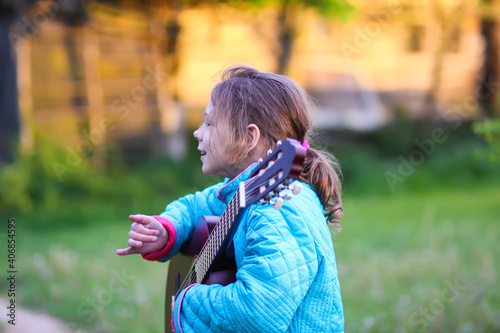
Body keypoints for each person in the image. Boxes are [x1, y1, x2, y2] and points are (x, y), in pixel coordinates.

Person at [116, 66, 344, 332]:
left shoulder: (279, 208)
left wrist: (184, 300)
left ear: (250, 137)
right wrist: (167, 229)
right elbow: (194, 205)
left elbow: (257, 312)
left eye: (210, 124)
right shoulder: (247, 190)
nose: (197, 133)